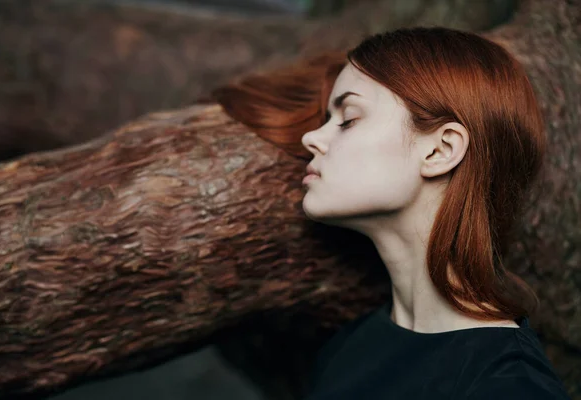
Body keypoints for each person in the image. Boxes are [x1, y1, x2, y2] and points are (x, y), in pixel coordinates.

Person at [213, 26, 571, 400]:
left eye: (348, 119)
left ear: (440, 151)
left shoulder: (510, 387)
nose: (311, 139)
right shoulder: (348, 346)